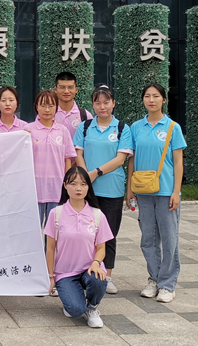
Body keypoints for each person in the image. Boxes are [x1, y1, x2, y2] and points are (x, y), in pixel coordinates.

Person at [126, 83, 186, 304]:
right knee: (148, 239)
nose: (151, 100)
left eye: (156, 96)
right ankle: (154, 278)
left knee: (169, 239)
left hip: (166, 191)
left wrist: (176, 191)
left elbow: (178, 162)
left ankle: (167, 284)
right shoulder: (136, 127)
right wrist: (129, 189)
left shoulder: (172, 127)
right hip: (143, 191)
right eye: (147, 96)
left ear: (164, 100)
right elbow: (131, 159)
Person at [73, 84, 133, 295]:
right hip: (87, 190)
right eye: (97, 103)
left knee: (109, 234)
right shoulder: (85, 127)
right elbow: (78, 153)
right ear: (93, 104)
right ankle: (85, 273)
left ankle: (107, 275)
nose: (102, 106)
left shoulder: (122, 128)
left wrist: (95, 173)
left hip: (112, 189)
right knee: (85, 233)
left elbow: (120, 159)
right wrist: (84, 176)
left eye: (106, 102)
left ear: (113, 103)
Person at [45, 166, 112, 328]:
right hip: (65, 273)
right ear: (65, 185)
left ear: (88, 187)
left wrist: (96, 263)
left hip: (90, 268)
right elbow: (50, 249)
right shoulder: (56, 213)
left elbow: (101, 248)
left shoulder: (97, 214)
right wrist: (50, 276)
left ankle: (92, 308)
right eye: (73, 184)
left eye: (83, 184)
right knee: (75, 311)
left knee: (98, 280)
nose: (78, 188)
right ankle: (75, 303)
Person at [29, 90, 77, 228]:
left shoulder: (62, 130)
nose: (47, 109)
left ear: (56, 107)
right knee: (34, 229)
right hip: (35, 187)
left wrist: (67, 182)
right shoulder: (28, 130)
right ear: (36, 106)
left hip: (57, 187)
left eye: (51, 105)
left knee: (55, 230)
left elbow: (67, 158)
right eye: (43, 105)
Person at [53, 72, 93, 137]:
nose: (66, 91)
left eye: (70, 87)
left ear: (76, 90)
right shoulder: (49, 114)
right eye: (62, 87)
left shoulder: (85, 115)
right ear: (56, 89)